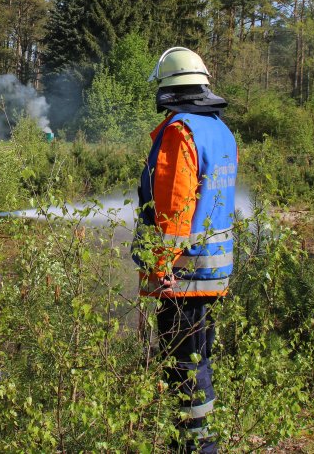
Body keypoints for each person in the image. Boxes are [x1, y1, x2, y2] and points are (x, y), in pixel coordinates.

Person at [132, 47, 237, 453]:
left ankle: (195, 448)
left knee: (184, 369)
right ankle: (200, 440)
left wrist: (161, 268)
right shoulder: (220, 130)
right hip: (211, 273)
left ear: (168, 89)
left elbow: (174, 208)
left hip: (182, 278)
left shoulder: (180, 132)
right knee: (198, 361)